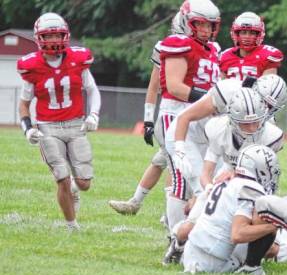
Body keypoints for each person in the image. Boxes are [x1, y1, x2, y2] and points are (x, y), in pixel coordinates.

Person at [17, 12, 101, 231]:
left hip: (75, 124)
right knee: (61, 176)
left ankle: (74, 187)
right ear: (39, 38)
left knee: (84, 184)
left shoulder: (78, 59)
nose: (54, 41)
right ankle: (72, 226)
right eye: (49, 36)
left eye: (58, 36)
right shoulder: (31, 66)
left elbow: (92, 90)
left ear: (66, 36)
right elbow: (24, 104)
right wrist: (27, 129)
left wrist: (94, 115)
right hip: (48, 128)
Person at [154, 0, 220, 235]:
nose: (205, 30)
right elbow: (175, 86)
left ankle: (195, 230)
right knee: (182, 179)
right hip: (175, 114)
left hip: (202, 117)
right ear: (185, 22)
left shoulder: (214, 49)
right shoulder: (178, 43)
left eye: (209, 25)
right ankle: (175, 236)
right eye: (199, 24)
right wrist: (213, 99)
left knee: (205, 178)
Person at [108, 12, 184, 216]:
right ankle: (138, 203)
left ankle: (169, 211)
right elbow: (153, 86)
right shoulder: (166, 47)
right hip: (172, 114)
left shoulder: (209, 50)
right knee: (164, 160)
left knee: (171, 161)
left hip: (195, 115)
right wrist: (148, 120)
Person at [182, 145, 281, 275]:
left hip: (190, 253)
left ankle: (176, 244)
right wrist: (275, 226)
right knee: (268, 224)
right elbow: (238, 234)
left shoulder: (228, 180)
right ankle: (252, 269)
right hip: (212, 261)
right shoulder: (250, 187)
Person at [219, 12, 283, 80]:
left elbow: (268, 88)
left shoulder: (268, 55)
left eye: (252, 33)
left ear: (259, 34)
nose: (247, 37)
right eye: (243, 33)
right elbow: (220, 86)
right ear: (236, 34)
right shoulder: (225, 56)